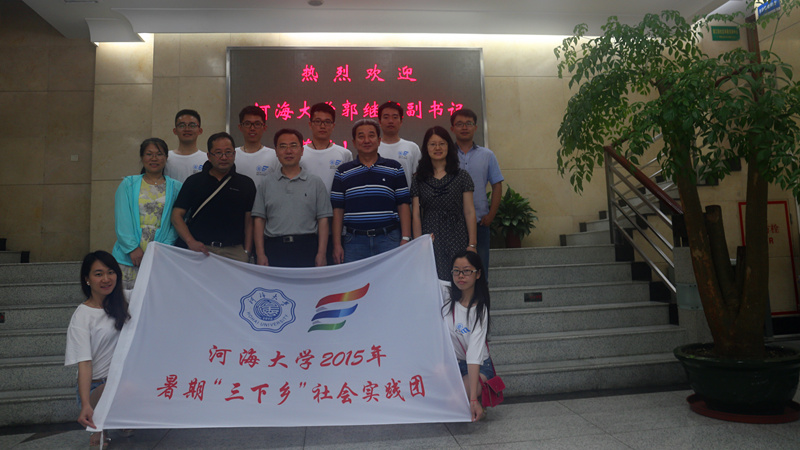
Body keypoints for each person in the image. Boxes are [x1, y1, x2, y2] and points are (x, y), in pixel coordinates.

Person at [65, 251, 131, 447]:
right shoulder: (82, 316)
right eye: (98, 274)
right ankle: (101, 423)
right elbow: (84, 363)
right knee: (115, 389)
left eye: (111, 272)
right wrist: (86, 404)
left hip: (122, 380)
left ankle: (119, 418)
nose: (106, 279)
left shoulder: (126, 300)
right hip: (97, 388)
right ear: (87, 279)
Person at [331, 119, 411, 263]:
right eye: (361, 136)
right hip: (354, 242)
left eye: (371, 136)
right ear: (354, 142)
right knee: (356, 278)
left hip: (388, 239)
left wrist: (405, 238)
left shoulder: (394, 168)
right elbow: (338, 210)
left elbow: (403, 205)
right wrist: (337, 244)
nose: (366, 140)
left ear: (379, 140)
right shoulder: (343, 172)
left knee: (390, 277)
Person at [171, 132, 256, 263]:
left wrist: (247, 251)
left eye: (228, 152)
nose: (224, 157)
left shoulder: (246, 184)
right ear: (209, 156)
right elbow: (176, 215)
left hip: (234, 252)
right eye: (218, 153)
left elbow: (249, 221)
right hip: (200, 250)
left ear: (234, 154)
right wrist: (190, 242)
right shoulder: (194, 181)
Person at [253, 129, 332, 267]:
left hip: (307, 248)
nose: (288, 151)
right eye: (283, 146)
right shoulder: (266, 183)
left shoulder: (315, 182)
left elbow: (323, 220)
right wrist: (260, 254)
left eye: (293, 146)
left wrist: (322, 253)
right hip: (274, 248)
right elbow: (259, 220)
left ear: (302, 150)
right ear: (276, 151)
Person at [112, 138, 183, 289]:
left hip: (160, 257)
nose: (154, 158)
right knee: (127, 300)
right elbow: (122, 220)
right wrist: (132, 248)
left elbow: (177, 222)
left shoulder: (176, 187)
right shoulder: (128, 184)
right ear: (142, 157)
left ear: (166, 157)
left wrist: (162, 249)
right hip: (128, 258)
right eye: (149, 154)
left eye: (159, 154)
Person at [412, 127, 477, 279]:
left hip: (458, 234)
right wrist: (419, 243)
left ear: (449, 146)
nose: (438, 148)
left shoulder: (462, 176)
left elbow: (469, 211)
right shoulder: (418, 178)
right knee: (433, 280)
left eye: (442, 143)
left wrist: (472, 244)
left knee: (460, 279)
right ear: (426, 148)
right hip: (431, 237)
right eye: (432, 144)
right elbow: (416, 214)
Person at [443, 250, 494, 422]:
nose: (460, 276)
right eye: (456, 271)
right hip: (453, 364)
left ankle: (476, 399)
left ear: (478, 274)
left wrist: (472, 400)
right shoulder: (446, 297)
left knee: (453, 400)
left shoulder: (480, 310)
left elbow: (473, 355)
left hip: (479, 366)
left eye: (466, 271)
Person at [451, 108, 504, 275]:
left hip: (480, 223)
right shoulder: (446, 155)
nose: (464, 127)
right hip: (452, 224)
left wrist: (492, 214)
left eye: (469, 123)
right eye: (459, 124)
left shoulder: (487, 155)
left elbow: (497, 185)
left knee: (480, 273)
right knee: (453, 273)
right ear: (452, 128)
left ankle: (481, 295)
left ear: (475, 127)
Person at [301, 103, 353, 264]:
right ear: (310, 124)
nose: (322, 126)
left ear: (333, 125)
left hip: (336, 227)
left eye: (327, 122)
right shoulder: (300, 153)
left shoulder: (344, 154)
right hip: (306, 226)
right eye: (318, 121)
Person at [377, 101, 421, 188]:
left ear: (401, 122)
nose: (390, 121)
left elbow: (418, 179)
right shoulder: (373, 148)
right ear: (380, 122)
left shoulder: (412, 148)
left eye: (395, 117)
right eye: (386, 117)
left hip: (406, 196)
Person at [235, 105, 279, 184]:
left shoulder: (274, 156)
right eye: (247, 124)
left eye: (257, 124)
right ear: (240, 127)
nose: (252, 128)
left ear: (264, 128)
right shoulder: (232, 155)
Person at [165, 109, 207, 183]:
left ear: (200, 130)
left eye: (192, 125)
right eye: (182, 125)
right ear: (175, 131)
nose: (187, 129)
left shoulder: (207, 159)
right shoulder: (166, 158)